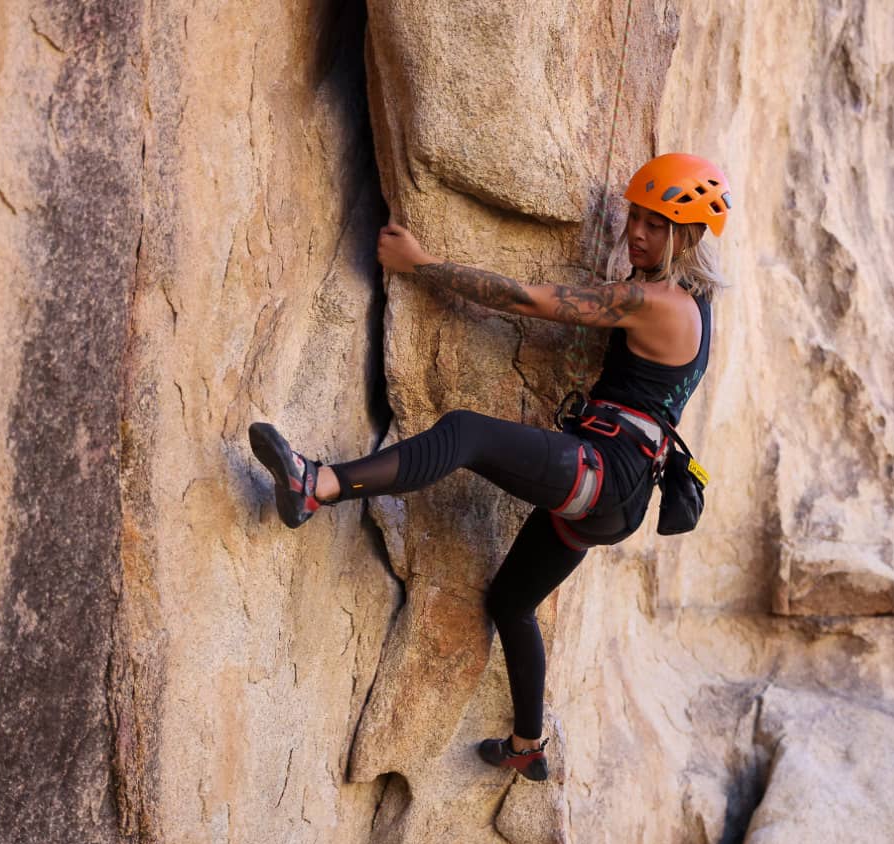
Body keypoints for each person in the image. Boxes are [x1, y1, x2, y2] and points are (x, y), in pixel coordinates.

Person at [248, 154, 730, 782]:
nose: (636, 232)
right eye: (634, 217)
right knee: (510, 601)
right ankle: (528, 745)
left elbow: (528, 302)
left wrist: (422, 265)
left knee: (467, 434)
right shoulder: (700, 305)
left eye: (657, 224)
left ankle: (317, 485)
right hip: (618, 497)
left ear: (687, 236)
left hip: (603, 474)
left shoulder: (655, 301)